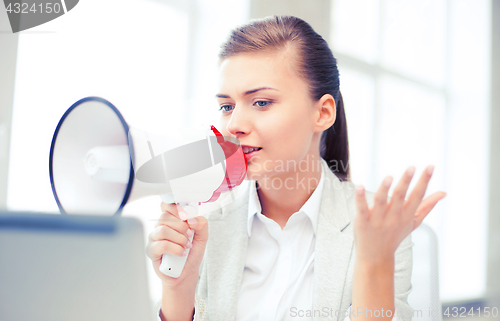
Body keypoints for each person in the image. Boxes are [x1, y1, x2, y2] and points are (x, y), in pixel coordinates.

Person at [146, 15, 447, 321]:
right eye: (227, 106)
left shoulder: (379, 227)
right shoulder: (205, 222)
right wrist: (177, 289)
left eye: (261, 102)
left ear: (323, 113)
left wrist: (374, 262)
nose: (234, 125)